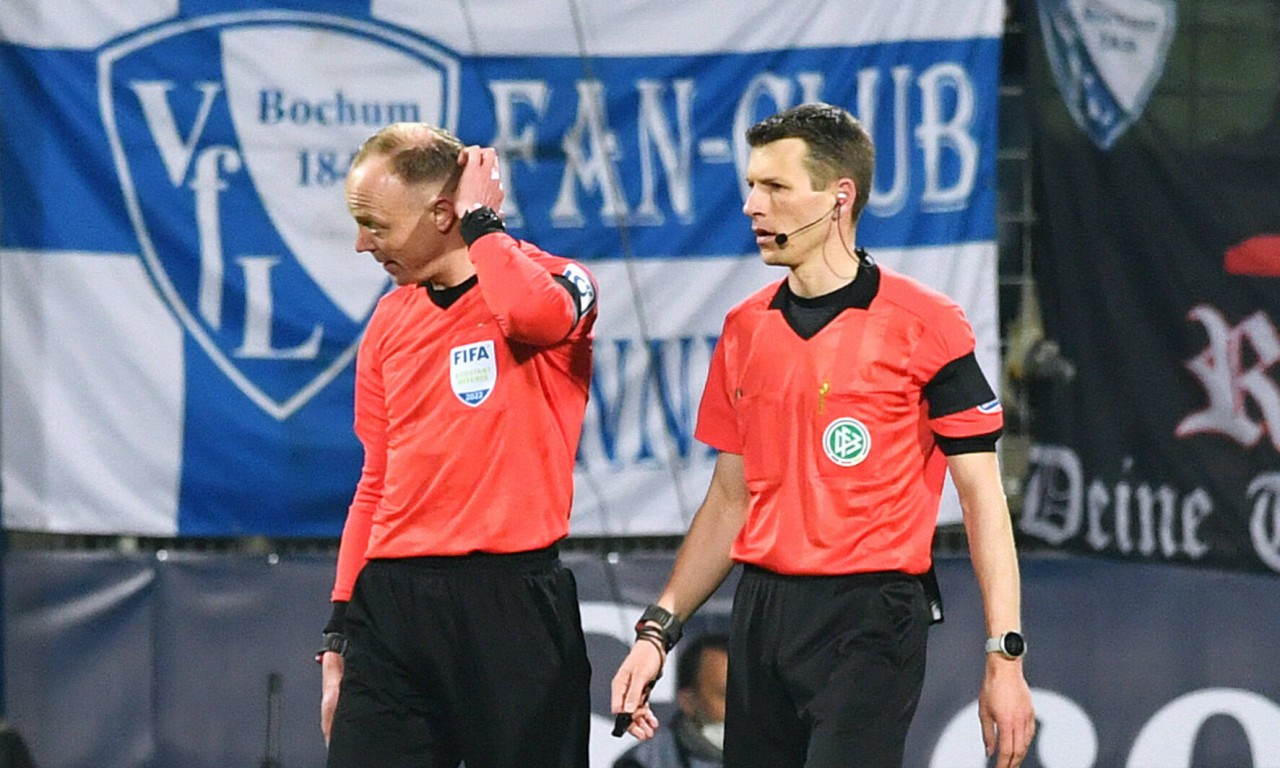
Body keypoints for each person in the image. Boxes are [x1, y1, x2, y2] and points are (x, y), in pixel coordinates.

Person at [610, 103, 1036, 768]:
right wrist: (657, 632)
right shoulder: (745, 329)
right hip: (763, 612)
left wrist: (1004, 655)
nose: (753, 205)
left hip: (871, 617)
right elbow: (730, 500)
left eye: (775, 188)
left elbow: (983, 500)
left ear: (840, 196)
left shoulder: (927, 324)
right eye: (752, 186)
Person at [317, 122, 598, 768]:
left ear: (443, 213)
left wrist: (482, 223)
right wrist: (339, 630)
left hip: (512, 605)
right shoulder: (389, 321)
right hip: (392, 605)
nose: (362, 244)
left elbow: (533, 317)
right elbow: (376, 481)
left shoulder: (558, 280)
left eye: (373, 223)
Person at [613, 632, 729, 768]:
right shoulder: (642, 763)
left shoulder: (758, 751)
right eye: (726, 696)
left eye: (749, 697)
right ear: (689, 701)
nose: (742, 708)